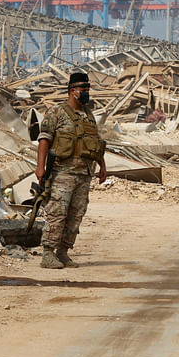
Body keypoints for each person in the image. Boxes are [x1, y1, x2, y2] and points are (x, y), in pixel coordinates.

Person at [35, 71, 107, 269]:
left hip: (84, 174)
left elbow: (95, 143)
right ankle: (48, 254)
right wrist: (40, 167)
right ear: (72, 90)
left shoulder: (88, 115)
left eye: (87, 89)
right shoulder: (57, 113)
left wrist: (102, 167)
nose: (86, 93)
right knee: (57, 213)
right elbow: (44, 139)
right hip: (62, 173)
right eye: (83, 89)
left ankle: (63, 252)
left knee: (76, 215)